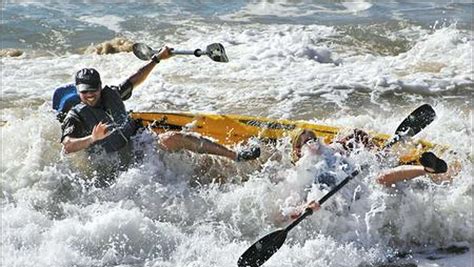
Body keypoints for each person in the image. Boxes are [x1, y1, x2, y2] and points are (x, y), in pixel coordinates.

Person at [58, 46, 260, 163]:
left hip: (137, 140)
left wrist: (157, 59)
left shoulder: (111, 95)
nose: (90, 95)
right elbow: (67, 146)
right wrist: (92, 138)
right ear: (78, 91)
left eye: (93, 90)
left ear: (100, 86)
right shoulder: (76, 116)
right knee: (169, 143)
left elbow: (135, 79)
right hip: (118, 158)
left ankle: (235, 156)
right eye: (84, 91)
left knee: (173, 138)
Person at [288, 128, 448, 217]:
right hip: (336, 206)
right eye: (308, 142)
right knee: (380, 180)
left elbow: (356, 134)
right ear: (297, 150)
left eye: (315, 139)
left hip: (359, 188)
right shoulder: (299, 173)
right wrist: (306, 208)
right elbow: (288, 212)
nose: (314, 143)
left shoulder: (331, 150)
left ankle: (428, 169)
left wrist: (373, 151)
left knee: (381, 178)